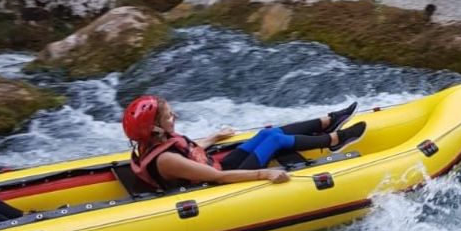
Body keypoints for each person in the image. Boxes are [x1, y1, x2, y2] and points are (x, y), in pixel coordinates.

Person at [121, 95, 366, 194]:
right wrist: (264, 173)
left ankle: (327, 122)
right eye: (169, 117)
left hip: (216, 167)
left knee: (266, 133)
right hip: (215, 182)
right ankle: (334, 140)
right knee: (276, 140)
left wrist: (216, 137)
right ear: (154, 129)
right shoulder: (166, 160)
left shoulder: (156, 141)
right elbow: (215, 178)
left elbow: (191, 149)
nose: (175, 118)